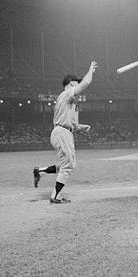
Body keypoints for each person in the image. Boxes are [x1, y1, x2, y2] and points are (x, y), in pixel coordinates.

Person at [33, 61, 98, 204]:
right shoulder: (66, 94)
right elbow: (85, 83)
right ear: (68, 85)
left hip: (64, 132)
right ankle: (55, 196)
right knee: (68, 166)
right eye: (75, 85)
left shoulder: (71, 103)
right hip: (61, 132)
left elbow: (73, 125)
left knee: (68, 165)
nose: (77, 88)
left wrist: (82, 127)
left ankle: (40, 171)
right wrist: (90, 71)